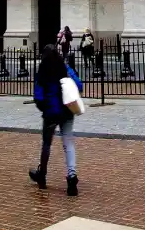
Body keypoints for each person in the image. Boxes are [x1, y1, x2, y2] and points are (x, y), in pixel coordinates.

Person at [29, 44, 83, 196]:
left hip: (51, 113)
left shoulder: (42, 73)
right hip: (67, 112)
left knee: (46, 144)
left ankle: (43, 174)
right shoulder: (65, 69)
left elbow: (38, 96)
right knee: (68, 143)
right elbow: (79, 85)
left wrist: (45, 108)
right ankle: (72, 177)